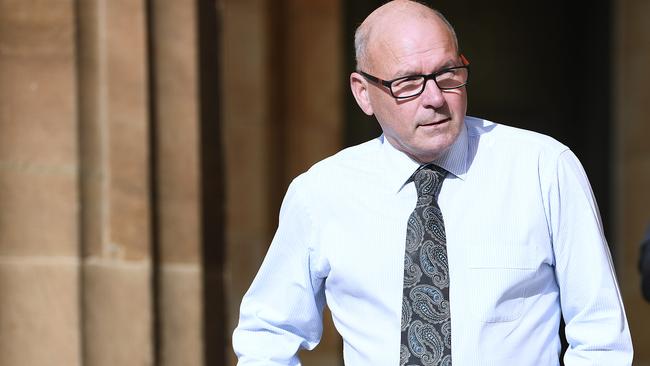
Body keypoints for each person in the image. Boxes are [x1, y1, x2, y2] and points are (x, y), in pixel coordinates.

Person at [232, 1, 633, 365]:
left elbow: (600, 339)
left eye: (447, 74)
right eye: (407, 83)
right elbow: (267, 335)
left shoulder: (543, 168)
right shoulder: (320, 194)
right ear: (363, 94)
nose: (435, 98)